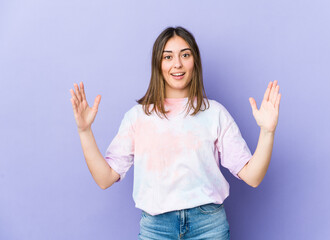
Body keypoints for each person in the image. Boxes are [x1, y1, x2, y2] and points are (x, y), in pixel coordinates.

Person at [70, 26, 281, 240]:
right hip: (156, 229)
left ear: (195, 62)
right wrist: (84, 130)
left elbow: (253, 177)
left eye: (185, 55)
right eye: (168, 57)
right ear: (158, 64)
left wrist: (267, 131)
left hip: (208, 227)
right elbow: (105, 178)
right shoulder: (138, 117)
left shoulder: (215, 113)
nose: (177, 64)